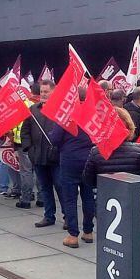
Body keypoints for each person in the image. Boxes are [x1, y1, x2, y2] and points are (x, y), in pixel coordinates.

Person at [51, 88, 95, 248]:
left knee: (70, 198)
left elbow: (55, 139)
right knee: (88, 196)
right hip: (90, 159)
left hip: (70, 160)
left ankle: (72, 234)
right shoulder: (93, 113)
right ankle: (88, 232)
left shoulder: (66, 114)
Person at [21, 80, 64, 228]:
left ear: (53, 92)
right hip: (38, 157)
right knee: (45, 188)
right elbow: (25, 131)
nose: (43, 95)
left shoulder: (61, 110)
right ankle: (48, 216)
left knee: (60, 187)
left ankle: (67, 217)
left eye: (46, 92)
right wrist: (29, 149)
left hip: (56, 158)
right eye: (41, 92)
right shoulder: (33, 109)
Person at [83, 107, 140, 187]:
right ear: (129, 127)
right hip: (134, 195)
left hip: (107, 196)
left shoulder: (96, 152)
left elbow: (88, 180)